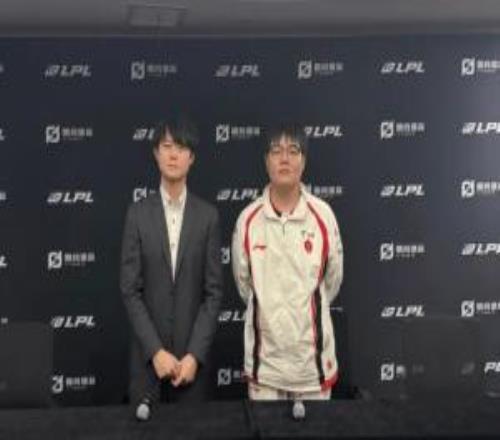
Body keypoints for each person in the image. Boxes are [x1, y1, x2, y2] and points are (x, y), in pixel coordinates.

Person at [232, 123, 343, 400]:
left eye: (293, 151)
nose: (284, 158)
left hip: (312, 369)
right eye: (276, 151)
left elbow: (332, 282)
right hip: (265, 370)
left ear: (303, 161)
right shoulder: (248, 220)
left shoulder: (323, 216)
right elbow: (244, 286)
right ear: (266, 160)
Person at [120, 115, 223, 413]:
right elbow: (130, 290)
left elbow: (213, 293)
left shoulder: (208, 217)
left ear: (192, 157)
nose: (173, 154)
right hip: (147, 367)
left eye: (181, 147)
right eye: (166, 146)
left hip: (192, 371)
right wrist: (156, 352)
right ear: (156, 153)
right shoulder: (137, 215)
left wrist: (194, 356)